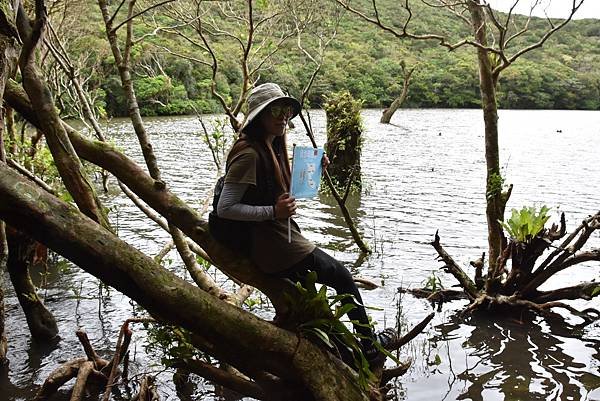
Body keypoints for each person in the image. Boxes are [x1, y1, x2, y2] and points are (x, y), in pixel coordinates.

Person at [213, 82, 394, 365]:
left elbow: (288, 191)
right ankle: (369, 349)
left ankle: (346, 354)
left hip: (278, 237)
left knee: (313, 302)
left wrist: (313, 169)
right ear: (259, 115)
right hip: (270, 245)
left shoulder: (271, 145)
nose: (283, 115)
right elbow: (226, 208)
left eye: (286, 109)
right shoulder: (249, 153)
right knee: (342, 276)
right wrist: (273, 211)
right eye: (275, 110)